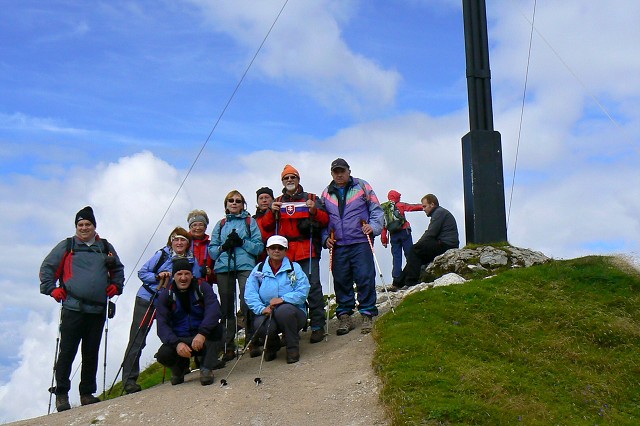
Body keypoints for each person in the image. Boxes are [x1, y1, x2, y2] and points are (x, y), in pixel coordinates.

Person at [39, 206, 125, 412]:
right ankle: (61, 394)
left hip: (97, 310)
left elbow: (118, 269)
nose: (84, 228)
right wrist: (52, 290)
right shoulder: (67, 245)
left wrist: (116, 286)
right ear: (76, 227)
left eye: (88, 224)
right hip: (72, 307)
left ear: (94, 226)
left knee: (90, 352)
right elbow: (47, 268)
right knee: (67, 351)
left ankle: (87, 393)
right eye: (80, 225)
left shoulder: (105, 247)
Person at [120, 226, 200, 394]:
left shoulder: (191, 260)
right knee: (138, 339)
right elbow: (142, 272)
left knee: (175, 334)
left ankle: (180, 368)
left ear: (188, 243)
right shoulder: (162, 254)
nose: (179, 242)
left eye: (183, 240)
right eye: (175, 239)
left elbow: (197, 277)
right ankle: (129, 381)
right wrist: (157, 277)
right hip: (148, 298)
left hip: (171, 303)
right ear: (171, 241)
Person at [262, 164, 329, 343]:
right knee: (287, 290)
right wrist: (270, 212)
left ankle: (317, 326)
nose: (290, 180)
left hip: (307, 249)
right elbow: (267, 226)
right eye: (286, 178)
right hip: (285, 253)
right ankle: (291, 329)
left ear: (298, 179)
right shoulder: (277, 201)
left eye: (293, 177)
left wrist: (314, 210)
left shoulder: (311, 198)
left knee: (313, 287)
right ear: (282, 181)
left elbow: (325, 219)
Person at [318, 158, 384, 335]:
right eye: (335, 172)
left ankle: (367, 313)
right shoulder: (326, 193)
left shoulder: (362, 186)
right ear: (332, 173)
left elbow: (376, 209)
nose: (339, 174)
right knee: (341, 280)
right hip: (338, 244)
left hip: (361, 240)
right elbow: (322, 220)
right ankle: (344, 316)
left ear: (348, 171)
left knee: (365, 277)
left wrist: (374, 227)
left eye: (342, 171)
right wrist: (325, 239)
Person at [208, 190, 264, 361]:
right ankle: (228, 345)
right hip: (224, 267)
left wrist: (242, 242)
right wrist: (224, 247)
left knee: (247, 301)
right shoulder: (220, 224)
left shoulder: (250, 221)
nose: (234, 203)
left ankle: (252, 340)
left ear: (243, 204)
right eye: (230, 201)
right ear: (226, 204)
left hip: (246, 266)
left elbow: (259, 247)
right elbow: (211, 251)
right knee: (226, 306)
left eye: (238, 201)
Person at [155, 257, 223, 386]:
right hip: (181, 339)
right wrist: (176, 344)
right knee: (163, 354)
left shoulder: (202, 287)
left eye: (187, 273)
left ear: (192, 275)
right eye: (179, 274)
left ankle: (206, 367)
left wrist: (202, 333)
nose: (183, 278)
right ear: (174, 276)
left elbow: (214, 311)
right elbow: (162, 326)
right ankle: (179, 369)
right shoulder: (166, 295)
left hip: (201, 338)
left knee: (218, 330)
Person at [245, 235, 310, 363]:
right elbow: (250, 293)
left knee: (284, 311)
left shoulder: (294, 267)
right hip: (267, 311)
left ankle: (292, 348)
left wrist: (283, 299)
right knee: (260, 323)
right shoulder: (258, 269)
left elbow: (303, 290)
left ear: (285, 250)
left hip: (294, 312)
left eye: (280, 248)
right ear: (267, 250)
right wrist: (262, 309)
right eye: (273, 248)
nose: (276, 251)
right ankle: (272, 346)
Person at [391, 194, 460, 291]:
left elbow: (431, 233)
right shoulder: (439, 212)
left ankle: (410, 282)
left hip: (446, 244)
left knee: (415, 250)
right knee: (416, 255)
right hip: (444, 243)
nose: (423, 209)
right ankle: (398, 283)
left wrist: (418, 245)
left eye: (424, 206)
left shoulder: (439, 213)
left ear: (432, 204)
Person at [380, 190, 424, 282]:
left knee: (396, 257)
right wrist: (424, 206)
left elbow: (383, 226)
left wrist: (384, 240)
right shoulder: (400, 205)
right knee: (409, 254)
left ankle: (396, 279)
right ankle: (411, 276)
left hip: (393, 235)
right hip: (404, 231)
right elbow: (412, 207)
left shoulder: (384, 208)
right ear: (396, 197)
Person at [187, 209, 216, 286]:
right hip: (185, 284)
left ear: (205, 227)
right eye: (194, 225)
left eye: (201, 224)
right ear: (190, 227)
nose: (198, 228)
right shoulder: (184, 244)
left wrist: (210, 273)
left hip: (205, 286)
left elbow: (218, 273)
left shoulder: (211, 246)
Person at [253, 187, 276, 262]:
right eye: (261, 198)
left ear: (273, 199)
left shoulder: (279, 216)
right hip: (258, 255)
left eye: (267, 197)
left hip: (275, 251)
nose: (264, 200)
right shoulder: (253, 220)